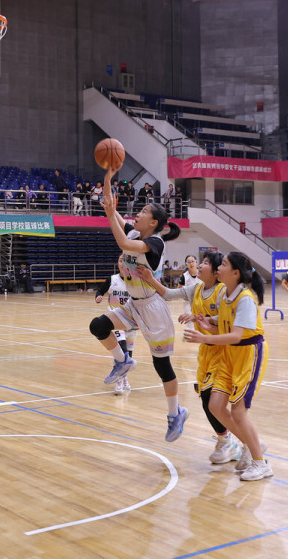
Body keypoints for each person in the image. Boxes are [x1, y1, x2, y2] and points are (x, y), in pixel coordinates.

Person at [89, 168, 187, 442]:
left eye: (143, 211)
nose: (138, 213)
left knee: (162, 367)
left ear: (153, 222)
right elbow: (116, 213)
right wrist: (108, 179)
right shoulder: (136, 232)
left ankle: (175, 413)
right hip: (133, 305)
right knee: (98, 325)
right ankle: (123, 361)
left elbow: (120, 238)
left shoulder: (153, 243)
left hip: (154, 309)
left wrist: (110, 214)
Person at [140, 250, 243, 465]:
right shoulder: (195, 288)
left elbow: (226, 320)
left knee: (213, 400)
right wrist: (150, 279)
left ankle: (233, 442)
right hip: (206, 352)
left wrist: (202, 318)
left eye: (204, 262)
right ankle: (231, 441)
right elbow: (168, 294)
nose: (199, 265)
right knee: (208, 401)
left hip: (225, 352)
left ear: (216, 272)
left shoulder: (224, 291)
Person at [184, 252, 272, 481]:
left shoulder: (245, 298)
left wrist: (204, 337)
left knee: (238, 411)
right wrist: (206, 323)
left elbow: (235, 336)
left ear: (235, 273)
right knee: (215, 405)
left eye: (223, 264)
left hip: (247, 355)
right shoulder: (226, 296)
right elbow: (223, 328)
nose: (218, 268)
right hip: (230, 355)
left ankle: (261, 462)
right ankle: (250, 443)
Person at [94, 259, 136, 395]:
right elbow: (100, 291)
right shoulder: (112, 279)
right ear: (118, 264)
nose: (122, 263)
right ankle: (119, 380)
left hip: (130, 321)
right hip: (115, 320)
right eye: (120, 260)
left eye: (125, 261)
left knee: (129, 353)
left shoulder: (135, 282)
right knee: (121, 349)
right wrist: (98, 296)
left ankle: (125, 377)